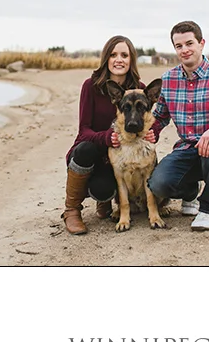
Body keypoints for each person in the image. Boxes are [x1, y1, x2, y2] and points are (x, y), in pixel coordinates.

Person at [148, 20, 209, 231]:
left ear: (201, 44)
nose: (184, 50)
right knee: (158, 184)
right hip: (187, 149)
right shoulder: (169, 79)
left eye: (189, 43)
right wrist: (150, 132)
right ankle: (190, 191)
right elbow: (160, 116)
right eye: (179, 46)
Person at [63, 35, 154, 235]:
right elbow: (84, 130)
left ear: (131, 60)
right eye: (113, 55)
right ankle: (72, 210)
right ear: (106, 58)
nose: (118, 60)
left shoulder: (138, 89)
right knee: (85, 149)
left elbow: (147, 118)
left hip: (118, 159)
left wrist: (150, 134)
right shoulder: (91, 86)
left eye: (124, 55)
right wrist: (107, 137)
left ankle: (104, 201)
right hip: (93, 153)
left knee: (103, 190)